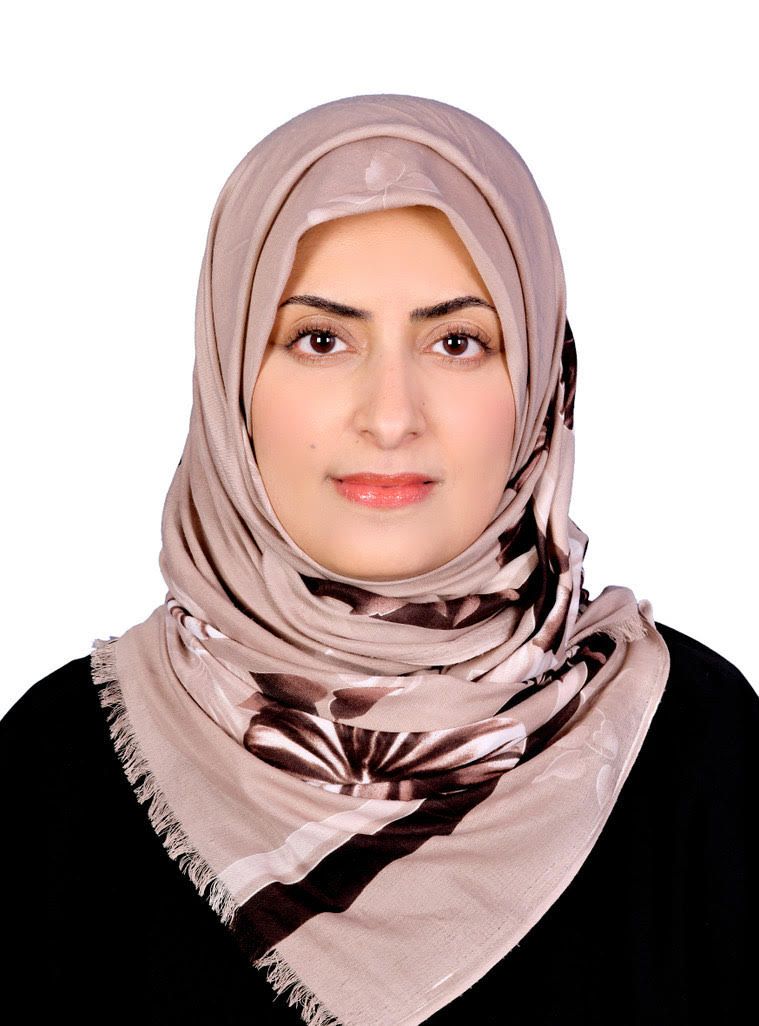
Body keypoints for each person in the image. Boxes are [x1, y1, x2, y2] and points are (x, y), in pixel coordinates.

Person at [1, 93, 756, 1026]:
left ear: (540, 377)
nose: (391, 416)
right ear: (230, 376)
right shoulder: (59, 769)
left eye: (456, 342)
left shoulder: (694, 746)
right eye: (321, 340)